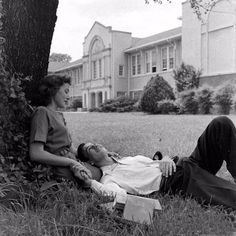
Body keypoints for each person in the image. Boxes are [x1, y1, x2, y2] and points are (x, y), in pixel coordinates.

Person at [74, 116, 236, 210]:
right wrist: (91, 183)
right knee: (230, 195)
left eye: (93, 143)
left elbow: (155, 162)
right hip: (179, 181)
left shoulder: (128, 159)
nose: (95, 145)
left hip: (188, 162)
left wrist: (165, 159)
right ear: (91, 162)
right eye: (90, 149)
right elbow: (118, 196)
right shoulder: (109, 179)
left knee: (220, 124)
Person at [29, 74, 102, 184]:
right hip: (60, 165)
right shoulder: (42, 112)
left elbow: (72, 149)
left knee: (101, 171)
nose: (68, 97)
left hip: (72, 161)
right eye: (66, 91)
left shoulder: (60, 116)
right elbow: (36, 153)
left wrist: (89, 152)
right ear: (53, 91)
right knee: (98, 176)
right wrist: (70, 163)